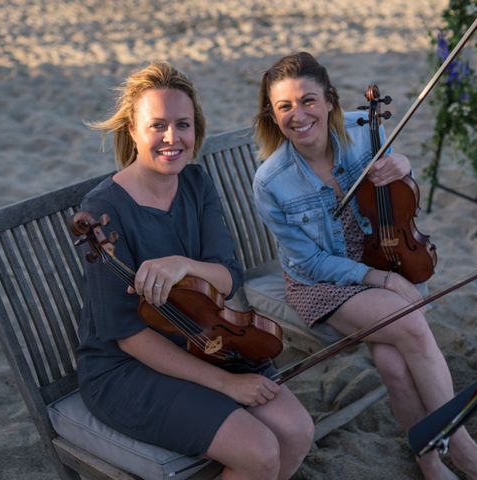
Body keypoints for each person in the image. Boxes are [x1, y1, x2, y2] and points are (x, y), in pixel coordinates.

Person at [252, 51, 477, 480]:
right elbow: (312, 261)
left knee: (393, 363)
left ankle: (428, 460)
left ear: (330, 100)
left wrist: (403, 165)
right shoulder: (271, 182)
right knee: (410, 325)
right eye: (285, 106)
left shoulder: (363, 130)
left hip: (383, 251)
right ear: (272, 115)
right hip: (323, 279)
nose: (298, 115)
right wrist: (383, 280)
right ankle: (463, 451)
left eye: (308, 100)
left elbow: (399, 187)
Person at [78, 61, 314, 480]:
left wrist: (184, 265)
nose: (172, 138)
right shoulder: (103, 211)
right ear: (132, 131)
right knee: (258, 451)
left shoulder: (196, 182)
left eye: (183, 125)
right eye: (158, 126)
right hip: (129, 368)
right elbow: (129, 336)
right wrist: (227, 385)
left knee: (296, 431)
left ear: (196, 129)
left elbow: (227, 275)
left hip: (205, 339)